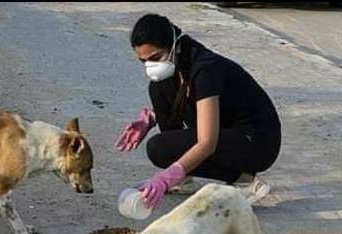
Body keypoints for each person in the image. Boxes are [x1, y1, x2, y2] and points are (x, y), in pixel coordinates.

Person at [115, 14, 282, 210]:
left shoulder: (205, 69)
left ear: (175, 46)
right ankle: (184, 179)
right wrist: (150, 118)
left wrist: (167, 177)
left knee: (159, 146)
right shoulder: (174, 68)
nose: (150, 66)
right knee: (157, 100)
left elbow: (207, 143)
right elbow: (182, 101)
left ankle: (245, 181)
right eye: (143, 61)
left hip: (257, 140)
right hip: (226, 130)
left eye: (155, 57)